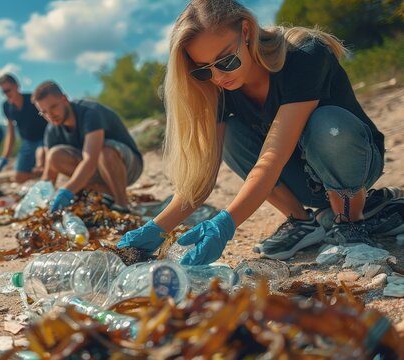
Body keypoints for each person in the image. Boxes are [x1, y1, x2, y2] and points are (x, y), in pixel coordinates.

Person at [118, 0, 400, 265]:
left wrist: (226, 222)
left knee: (328, 125)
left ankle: (349, 221)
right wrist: (153, 231)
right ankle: (301, 222)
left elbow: (273, 155)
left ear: (246, 30)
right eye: (203, 70)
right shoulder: (219, 89)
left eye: (225, 61)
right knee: (230, 134)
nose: (218, 77)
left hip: (351, 163)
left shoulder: (305, 55)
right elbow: (201, 179)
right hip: (301, 182)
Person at [32, 80, 143, 213]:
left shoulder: (90, 112)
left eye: (54, 107)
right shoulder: (52, 129)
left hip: (127, 166)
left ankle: (121, 204)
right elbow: (48, 174)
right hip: (96, 172)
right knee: (54, 156)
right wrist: (40, 201)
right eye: (43, 112)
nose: (50, 115)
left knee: (104, 150)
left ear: (65, 99)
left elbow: (90, 161)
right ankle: (106, 193)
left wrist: (66, 191)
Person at [0, 73, 48, 184]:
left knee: (41, 157)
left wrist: (50, 143)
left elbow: (49, 119)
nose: (6, 94)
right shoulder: (6, 106)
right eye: (3, 92)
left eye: (8, 90)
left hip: (44, 138)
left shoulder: (33, 100)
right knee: (18, 177)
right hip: (27, 142)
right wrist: (4, 157)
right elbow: (11, 134)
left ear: (17, 86)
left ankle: (47, 171)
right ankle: (43, 173)